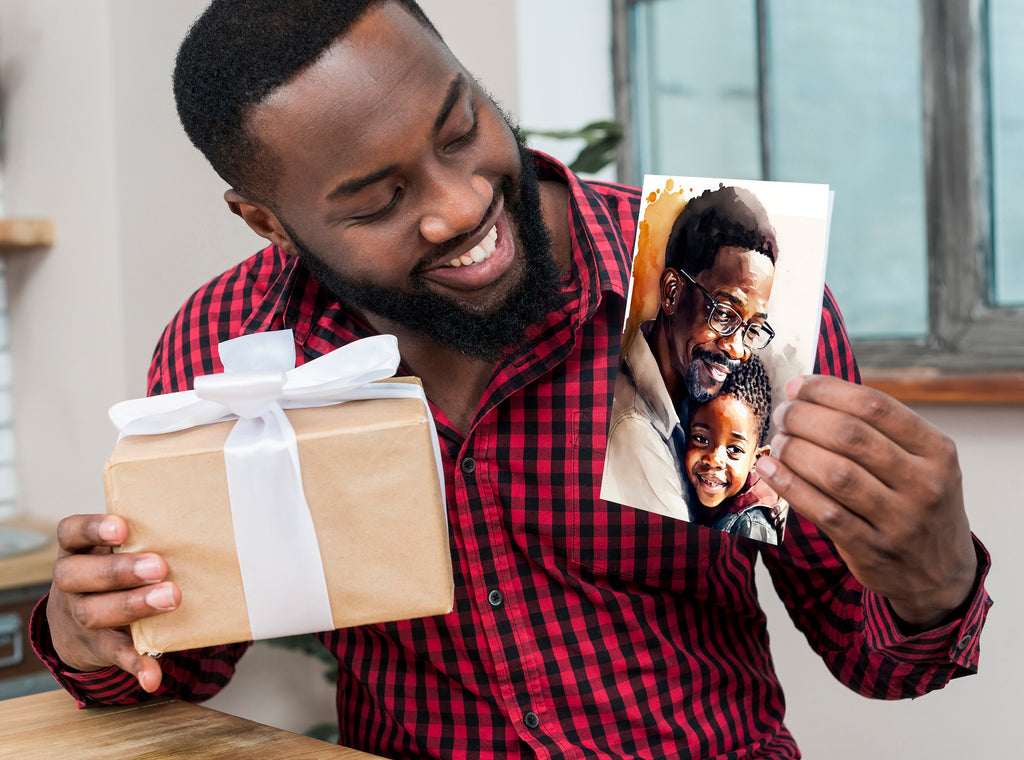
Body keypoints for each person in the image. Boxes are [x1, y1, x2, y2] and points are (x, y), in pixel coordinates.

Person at [32, 1, 991, 758]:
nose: (458, 208)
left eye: (460, 131)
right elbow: (181, 668)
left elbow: (880, 660)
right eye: (378, 200)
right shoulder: (232, 345)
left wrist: (933, 574)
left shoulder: (714, 291)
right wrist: (92, 634)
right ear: (267, 222)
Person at [602, 185, 778, 518]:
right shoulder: (635, 431)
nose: (738, 349)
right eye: (724, 314)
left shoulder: (694, 394)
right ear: (671, 292)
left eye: (753, 328)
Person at [684, 355, 785, 544]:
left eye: (734, 449)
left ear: (758, 459)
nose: (714, 460)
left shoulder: (751, 527)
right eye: (701, 439)